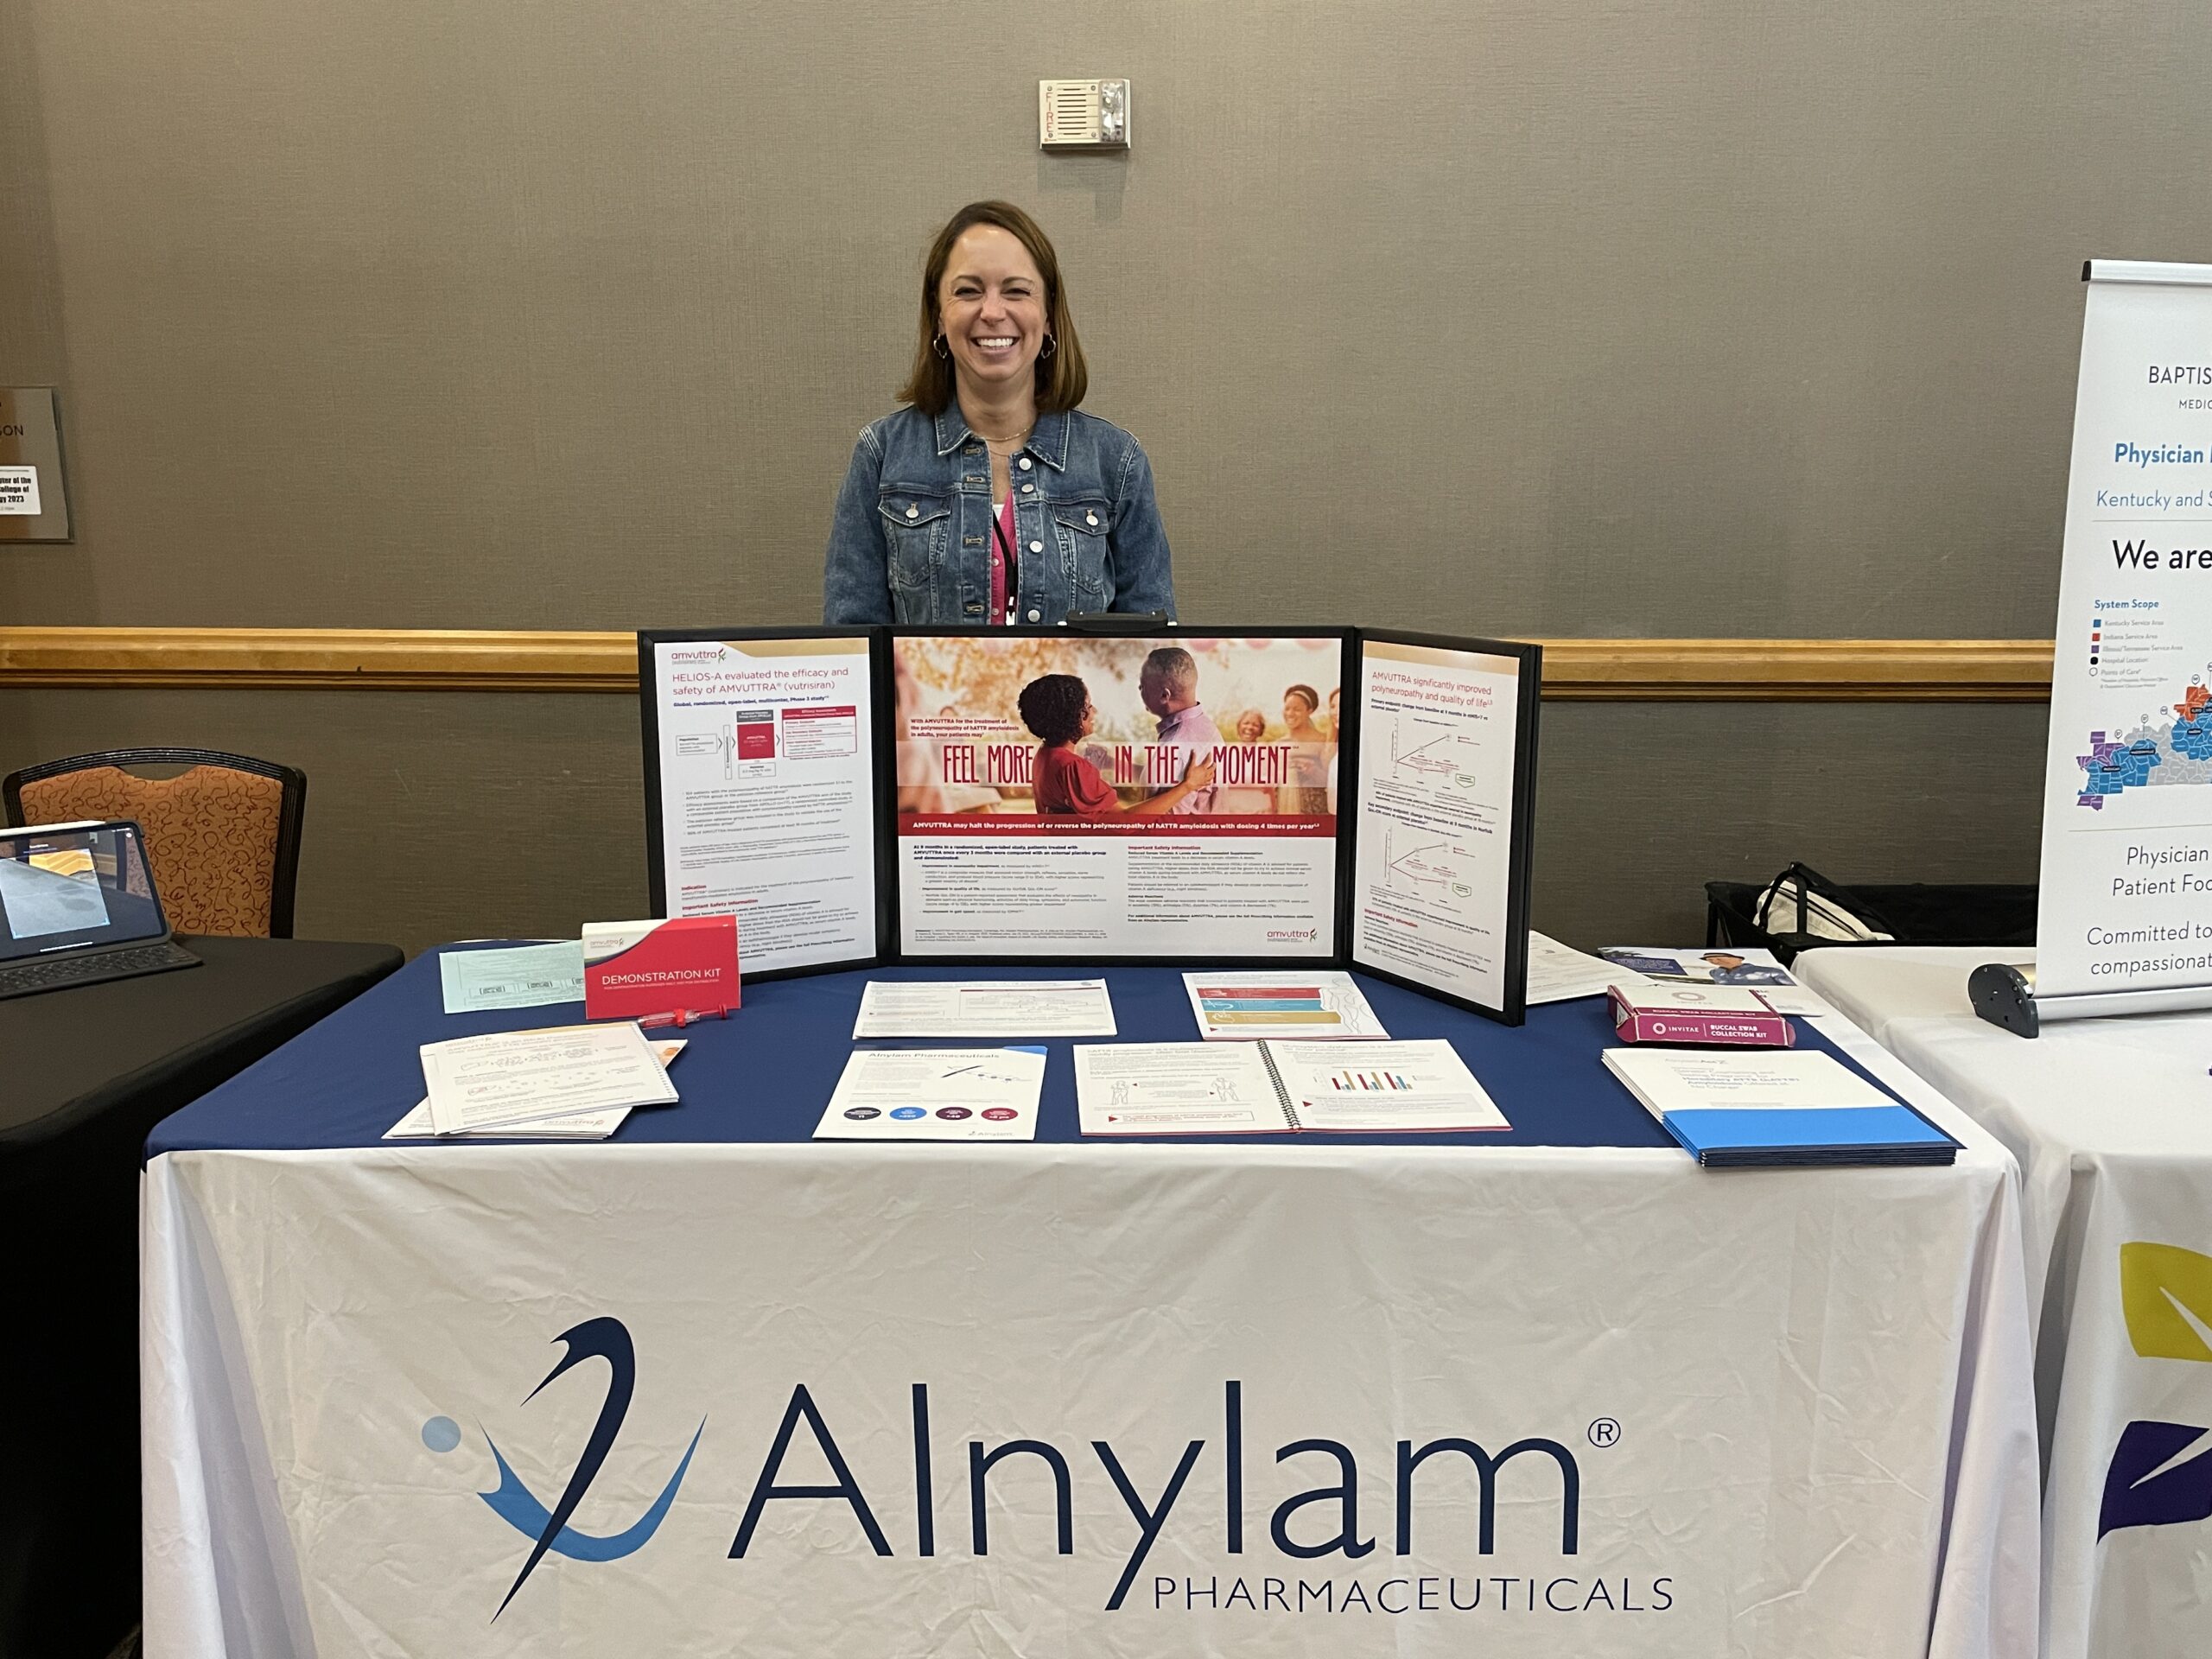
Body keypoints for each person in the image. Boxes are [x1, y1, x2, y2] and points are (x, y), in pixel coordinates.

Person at [823, 201, 1176, 626]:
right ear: (939, 317)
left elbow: (1152, 648)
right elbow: (855, 645)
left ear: (1048, 316)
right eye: (968, 291)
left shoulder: (1117, 463)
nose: (992, 312)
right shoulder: (881, 456)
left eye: (1017, 291)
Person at [1017, 674, 1214, 817]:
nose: (1094, 712)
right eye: (1088, 706)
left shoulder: (1044, 755)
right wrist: (1188, 786)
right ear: (1072, 716)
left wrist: (1109, 763)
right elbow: (1123, 823)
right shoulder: (1073, 767)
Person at [1137, 646, 1220, 815]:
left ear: (1164, 695)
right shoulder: (1203, 726)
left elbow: (1165, 823)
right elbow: (1156, 781)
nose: (1140, 689)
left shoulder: (1176, 747)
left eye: (1143, 685)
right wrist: (1111, 763)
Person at [1278, 683, 1332, 815]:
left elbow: (1333, 781)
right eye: (1287, 709)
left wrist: (1313, 771)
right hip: (1284, 809)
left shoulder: (1323, 741)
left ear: (1310, 711)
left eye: (1297, 709)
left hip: (1315, 812)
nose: (1290, 714)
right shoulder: (1279, 744)